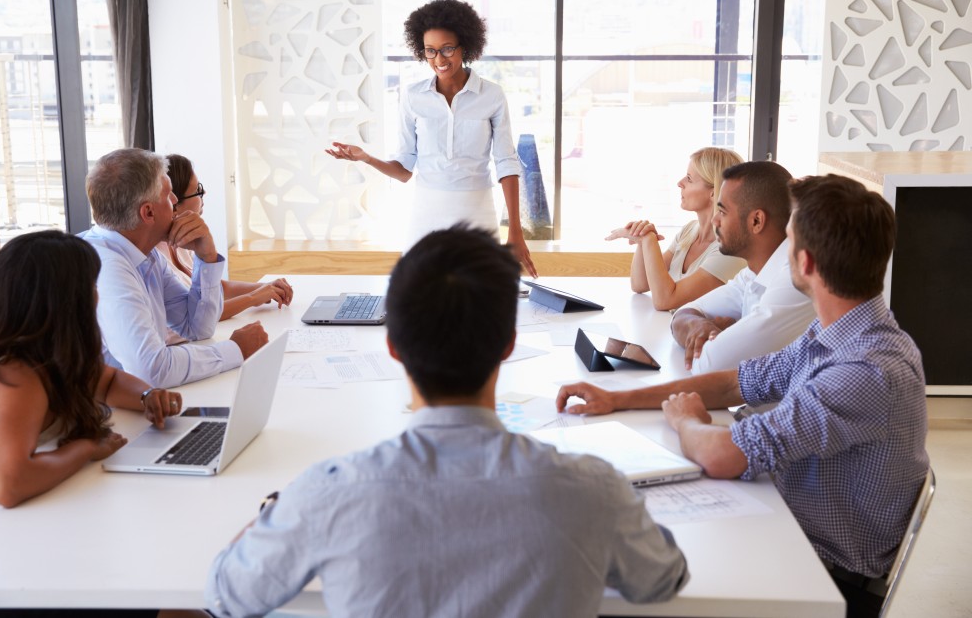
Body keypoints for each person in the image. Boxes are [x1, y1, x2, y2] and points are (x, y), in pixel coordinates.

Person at [205, 225, 687, 617]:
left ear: (392, 346)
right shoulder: (593, 490)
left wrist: (280, 512)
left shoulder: (327, 495)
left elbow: (227, 594)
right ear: (507, 345)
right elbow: (663, 578)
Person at [557, 175, 929, 618]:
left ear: (805, 263)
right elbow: (736, 382)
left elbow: (724, 455)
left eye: (788, 241)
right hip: (791, 524)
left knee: (621, 577)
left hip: (823, 569)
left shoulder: (864, 370)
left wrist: (686, 422)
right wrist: (619, 398)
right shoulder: (841, 331)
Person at [0, 231, 205, 618]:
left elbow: (108, 381)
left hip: (35, 551)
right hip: (2, 586)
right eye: (91, 285)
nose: (98, 296)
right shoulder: (14, 379)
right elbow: (8, 485)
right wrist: (86, 449)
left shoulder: (49, 359)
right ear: (64, 301)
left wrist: (145, 395)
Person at [325, 0, 538, 277]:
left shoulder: (492, 95)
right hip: (427, 210)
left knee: (477, 293)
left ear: (465, 46)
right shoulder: (413, 96)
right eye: (430, 51)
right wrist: (366, 158)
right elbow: (403, 171)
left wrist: (516, 230)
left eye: (447, 49)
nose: (439, 59)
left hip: (477, 208)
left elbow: (506, 163)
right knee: (419, 291)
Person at [82, 148, 269, 388]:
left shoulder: (144, 255)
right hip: (105, 417)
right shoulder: (107, 267)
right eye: (169, 195)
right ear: (148, 212)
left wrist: (207, 256)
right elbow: (151, 370)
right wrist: (235, 349)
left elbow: (197, 327)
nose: (175, 204)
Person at [669, 160, 815, 373]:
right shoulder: (752, 273)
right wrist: (698, 327)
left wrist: (717, 340)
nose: (715, 221)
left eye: (723, 212)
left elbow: (707, 366)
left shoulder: (793, 279)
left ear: (756, 221)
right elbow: (682, 314)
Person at [606, 147, 746, 310]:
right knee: (615, 336)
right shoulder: (689, 231)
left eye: (689, 179)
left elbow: (665, 300)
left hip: (703, 335)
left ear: (714, 193)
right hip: (670, 329)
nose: (679, 183)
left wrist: (649, 239)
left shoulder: (730, 252)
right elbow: (640, 284)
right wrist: (642, 237)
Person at [159, 153, 293, 321]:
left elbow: (215, 289)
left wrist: (265, 287)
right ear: (174, 204)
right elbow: (197, 315)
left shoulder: (180, 243)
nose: (204, 193)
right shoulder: (155, 257)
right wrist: (253, 298)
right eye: (198, 190)